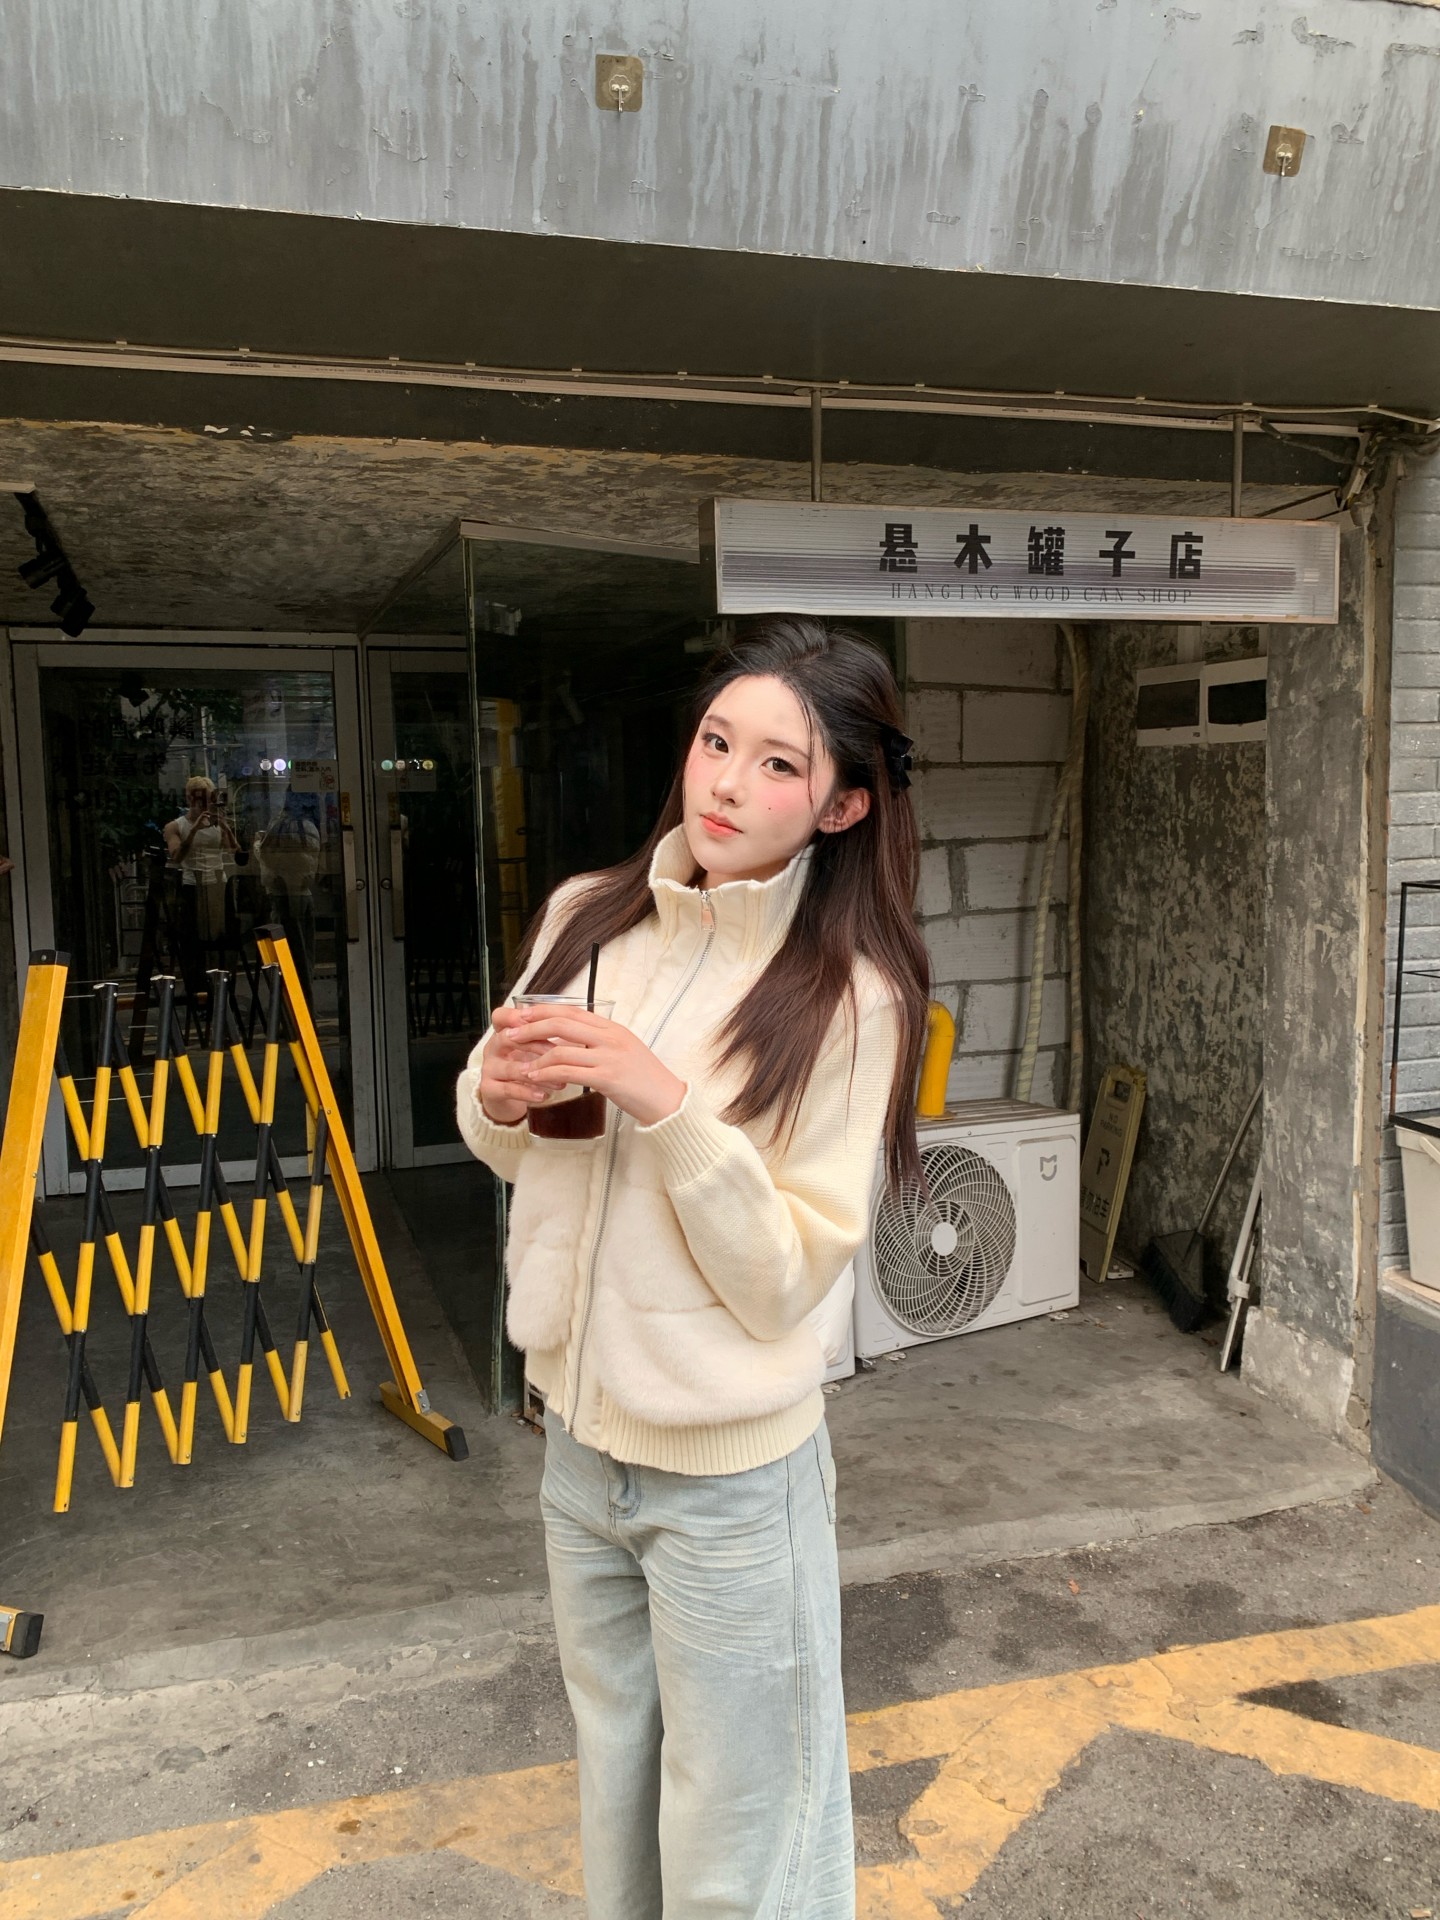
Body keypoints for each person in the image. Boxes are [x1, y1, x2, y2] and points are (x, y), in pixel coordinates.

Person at [456, 616, 928, 1918]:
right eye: (717, 742)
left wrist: (666, 1103)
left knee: (743, 1839)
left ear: (841, 805)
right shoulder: (587, 917)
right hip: (577, 1451)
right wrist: (494, 1096)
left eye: (778, 765)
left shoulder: (851, 997)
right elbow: (512, 1147)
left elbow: (786, 1277)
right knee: (618, 1794)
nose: (724, 784)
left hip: (731, 1483)